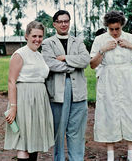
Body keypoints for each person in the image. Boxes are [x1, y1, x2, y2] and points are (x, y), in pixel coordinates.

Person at [90, 10, 132, 161]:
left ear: (122, 26)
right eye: (111, 29)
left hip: (128, 79)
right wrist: (102, 50)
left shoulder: (130, 37)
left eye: (117, 28)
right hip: (108, 79)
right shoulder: (100, 39)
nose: (115, 32)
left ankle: (131, 154)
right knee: (108, 114)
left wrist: (131, 45)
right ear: (107, 27)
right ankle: (110, 155)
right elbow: (92, 64)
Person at [42, 10, 90, 161]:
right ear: (54, 24)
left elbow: (85, 60)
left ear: (69, 22)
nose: (64, 24)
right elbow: (49, 63)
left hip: (78, 90)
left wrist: (65, 58)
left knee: (76, 130)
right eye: (60, 21)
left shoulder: (78, 41)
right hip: (58, 90)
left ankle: (77, 158)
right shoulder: (47, 43)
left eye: (66, 21)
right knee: (58, 130)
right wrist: (72, 65)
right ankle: (59, 158)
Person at [4, 21, 54, 161]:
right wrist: (13, 107)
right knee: (24, 143)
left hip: (39, 99)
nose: (37, 39)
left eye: (40, 36)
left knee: (34, 140)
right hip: (24, 99)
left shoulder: (39, 55)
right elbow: (11, 81)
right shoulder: (19, 54)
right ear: (27, 36)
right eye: (34, 36)